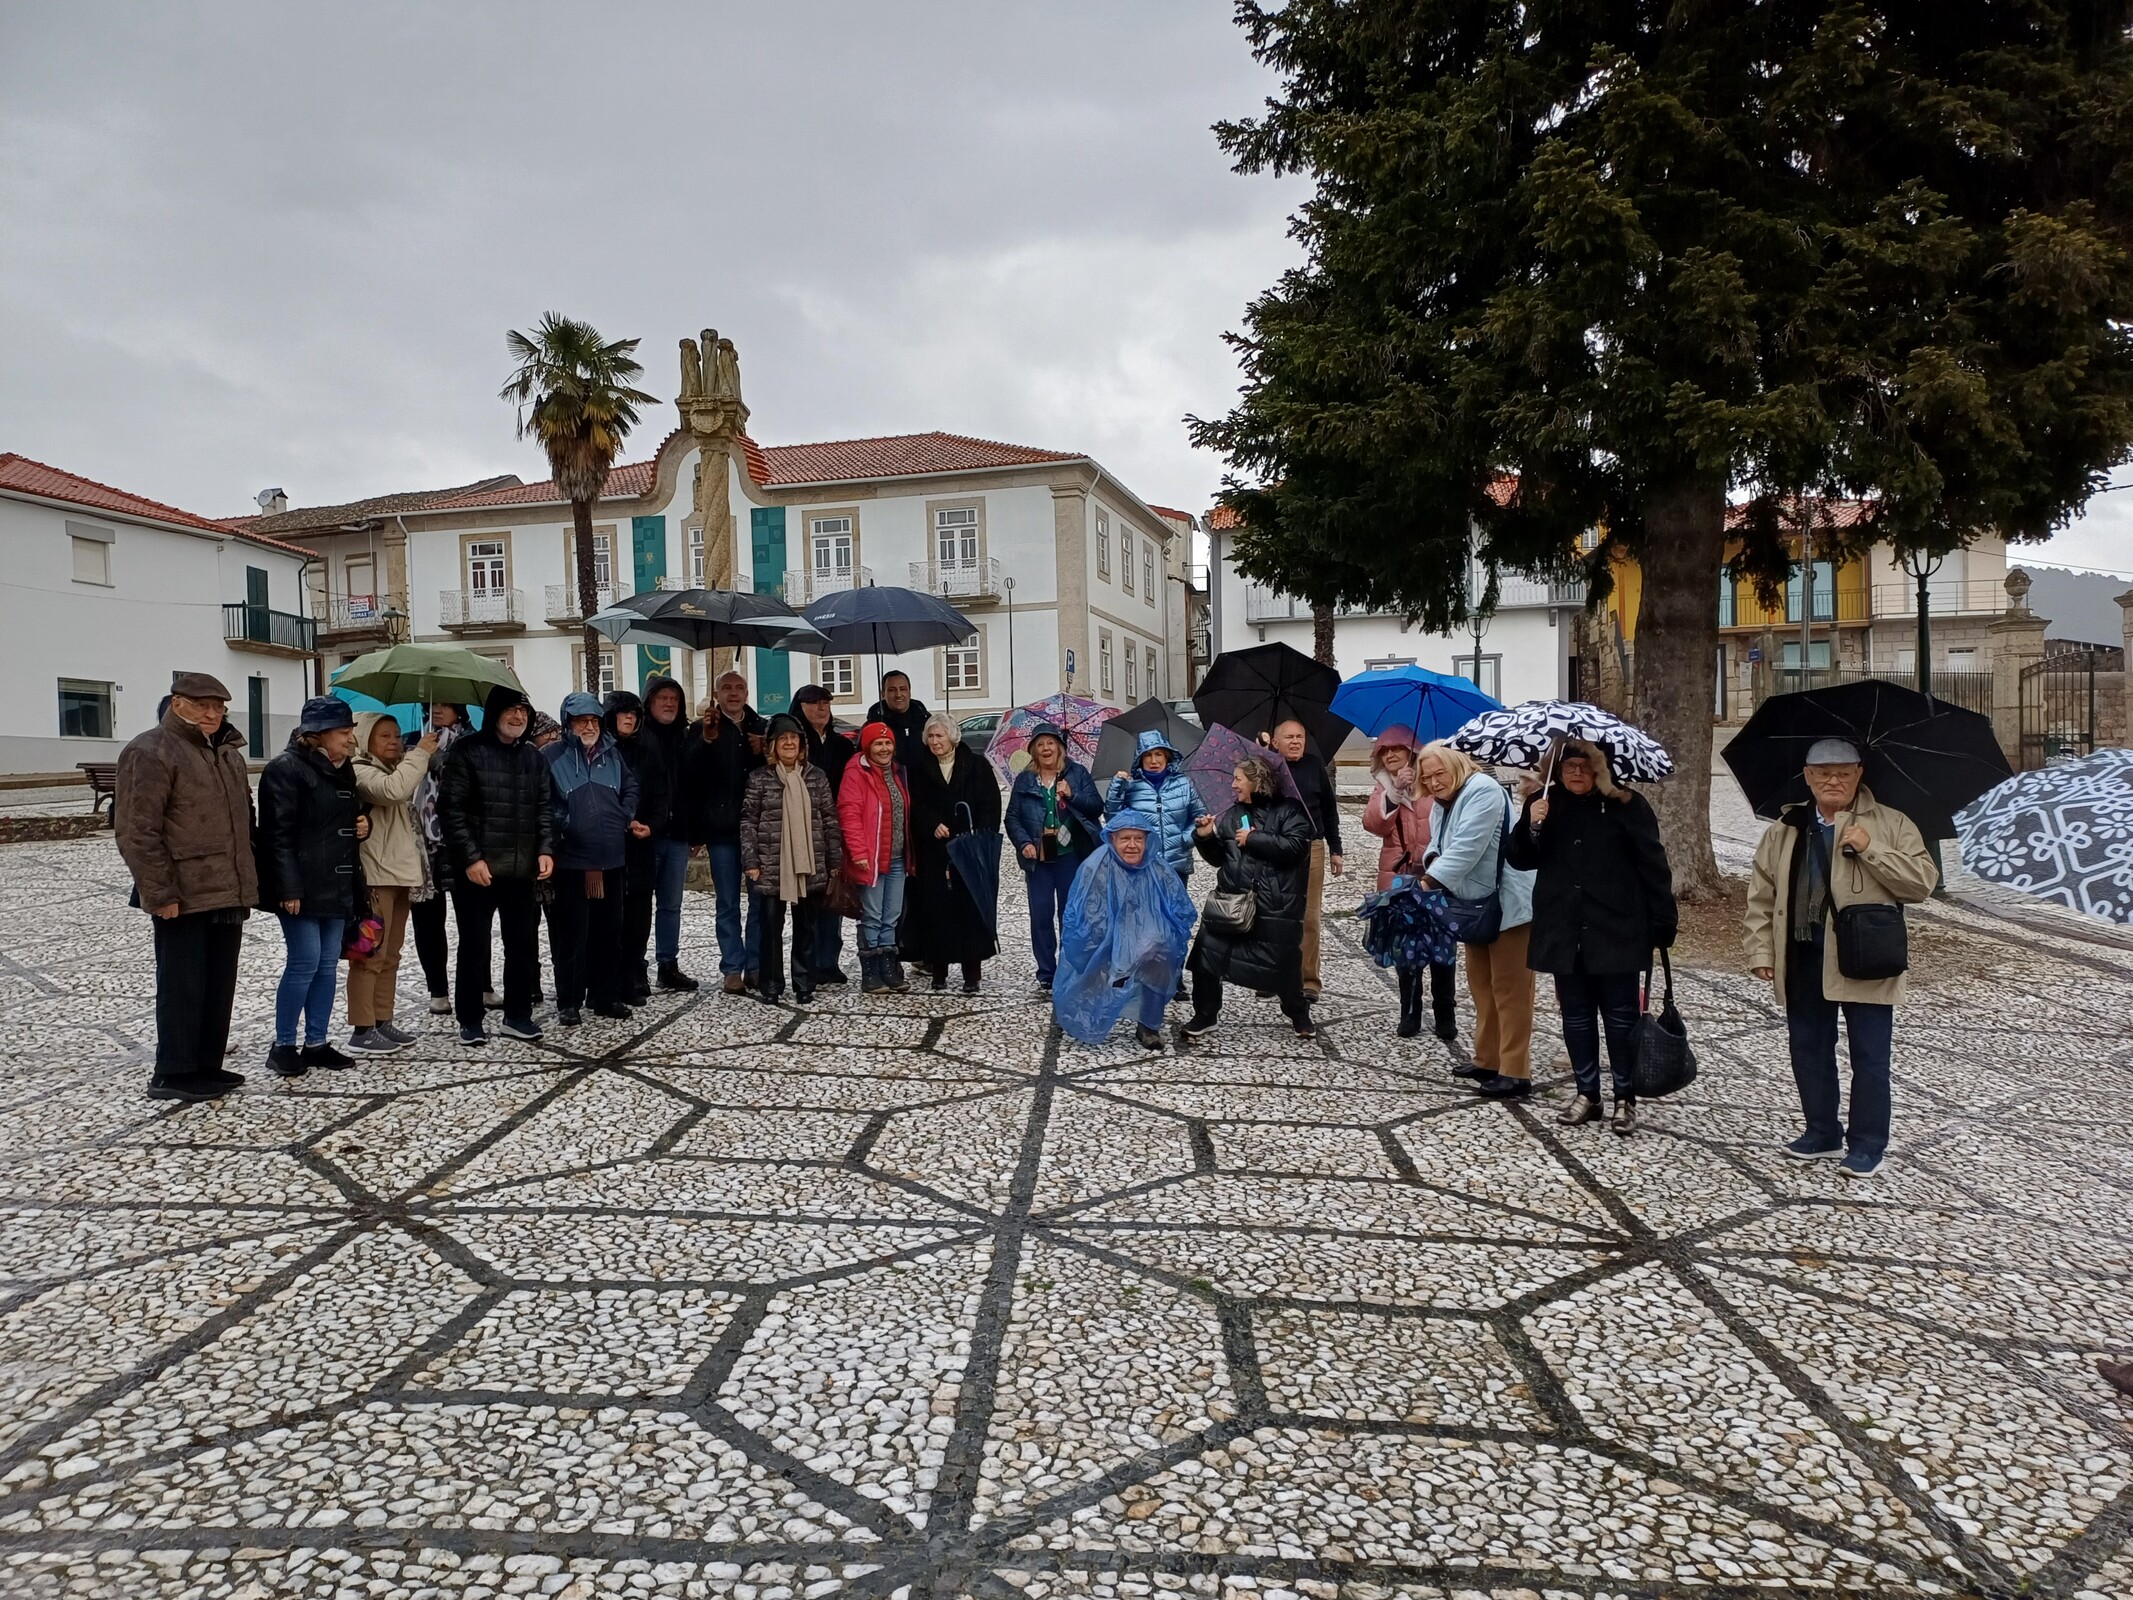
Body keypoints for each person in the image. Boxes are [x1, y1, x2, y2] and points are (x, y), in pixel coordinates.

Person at [1744, 737, 1936, 1177]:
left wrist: (1871, 847)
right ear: (1808, 777)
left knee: (1870, 1056)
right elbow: (1761, 894)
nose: (1834, 780)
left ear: (1859, 775)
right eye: (1824, 773)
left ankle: (1867, 1143)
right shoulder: (1785, 827)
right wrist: (1760, 949)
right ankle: (1822, 1132)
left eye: (1844, 773)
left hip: (1865, 957)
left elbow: (1921, 884)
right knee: (1808, 1049)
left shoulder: (1890, 823)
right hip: (1802, 955)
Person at [1505, 740, 1677, 1133]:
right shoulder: (1547, 803)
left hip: (1616, 926)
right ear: (1556, 771)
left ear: (1600, 769)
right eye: (1569, 768)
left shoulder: (1628, 805)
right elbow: (1519, 857)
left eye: (1585, 767)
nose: (1576, 774)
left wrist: (1663, 922)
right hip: (1564, 927)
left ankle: (1624, 1096)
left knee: (1620, 1016)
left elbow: (1654, 865)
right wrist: (1532, 822)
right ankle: (1587, 1093)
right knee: (1576, 1015)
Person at [115, 670, 257, 1102]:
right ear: (177, 704)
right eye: (201, 705)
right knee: (183, 983)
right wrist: (160, 894)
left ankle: (205, 1065)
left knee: (219, 981)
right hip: (183, 889)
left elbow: (243, 822)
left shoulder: (228, 753)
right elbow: (138, 830)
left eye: (218, 707)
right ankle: (173, 1071)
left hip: (226, 886)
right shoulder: (152, 750)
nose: (211, 714)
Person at [1416, 743, 1537, 1098]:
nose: (1435, 782)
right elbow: (1436, 846)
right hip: (1472, 903)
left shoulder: (1483, 790)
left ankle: (1515, 1070)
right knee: (1482, 984)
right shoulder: (1442, 804)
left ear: (1456, 766)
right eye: (1428, 777)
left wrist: (1427, 882)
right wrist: (1432, 861)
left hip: (1507, 902)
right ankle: (1487, 1057)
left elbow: (1468, 847)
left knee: (1511, 989)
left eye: (1440, 773)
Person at [256, 696, 368, 1078]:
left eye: (350, 731)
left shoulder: (343, 767)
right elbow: (277, 835)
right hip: (301, 885)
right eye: (344, 731)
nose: (351, 738)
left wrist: (362, 823)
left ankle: (316, 1043)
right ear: (317, 735)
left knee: (325, 966)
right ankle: (283, 1045)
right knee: (303, 962)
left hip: (337, 882)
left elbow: (344, 815)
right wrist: (288, 888)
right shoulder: (284, 769)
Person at [439, 685, 555, 1044]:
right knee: (474, 946)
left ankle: (517, 1016)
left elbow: (544, 809)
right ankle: (470, 1019)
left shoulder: (534, 758)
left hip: (521, 869)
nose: (519, 717)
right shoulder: (466, 752)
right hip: (478, 871)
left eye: (524, 711)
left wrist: (546, 848)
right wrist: (471, 858)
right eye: (512, 710)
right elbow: (451, 811)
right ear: (495, 714)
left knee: (522, 945)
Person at [1181, 755, 1316, 1041]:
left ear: (1257, 781)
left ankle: (1298, 1012)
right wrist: (1205, 837)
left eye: (1238, 778)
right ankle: (1205, 1014)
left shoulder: (1290, 811)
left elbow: (1296, 848)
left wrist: (1254, 839)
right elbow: (1220, 859)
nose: (1233, 784)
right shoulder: (1232, 815)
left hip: (1274, 906)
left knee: (1283, 963)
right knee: (1206, 956)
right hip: (1231, 903)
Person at [1054, 810, 1198, 1050]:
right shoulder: (1095, 867)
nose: (1132, 845)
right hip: (1104, 938)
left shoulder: (1158, 867)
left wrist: (1157, 937)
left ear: (1146, 841)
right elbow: (1084, 915)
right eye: (1125, 839)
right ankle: (1078, 1010)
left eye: (1138, 839)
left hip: (1148, 941)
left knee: (1165, 952)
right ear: (1112, 840)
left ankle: (1148, 1024)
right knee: (1094, 958)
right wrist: (1119, 939)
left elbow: (1180, 908)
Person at [347, 711, 441, 1055]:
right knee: (368, 953)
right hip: (376, 876)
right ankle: (361, 1027)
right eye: (385, 736)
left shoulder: (396, 766)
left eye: (398, 735)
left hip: (399, 875)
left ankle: (382, 1019)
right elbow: (393, 791)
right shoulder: (360, 770)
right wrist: (421, 753)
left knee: (391, 954)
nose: (395, 742)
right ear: (367, 738)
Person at [544, 692, 641, 1026]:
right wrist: (568, 822)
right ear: (568, 723)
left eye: (594, 720)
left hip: (612, 858)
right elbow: (543, 802)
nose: (589, 726)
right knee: (572, 935)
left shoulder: (613, 756)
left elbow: (631, 789)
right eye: (581, 720)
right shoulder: (551, 756)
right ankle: (569, 1001)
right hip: (571, 861)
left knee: (609, 932)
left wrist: (622, 814)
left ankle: (605, 995)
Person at [1359, 725, 1458, 1042]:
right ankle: (1409, 1013)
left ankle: (1446, 1013)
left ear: (1411, 753)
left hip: (1436, 876)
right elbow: (1373, 824)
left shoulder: (1433, 783)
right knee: (1406, 950)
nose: (1390, 756)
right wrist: (1394, 793)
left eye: (1396, 750)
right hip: (1398, 878)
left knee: (1442, 948)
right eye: (1384, 752)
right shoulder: (1384, 786)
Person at [741, 713, 844, 1004]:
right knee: (770, 927)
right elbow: (748, 821)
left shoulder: (816, 776)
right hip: (772, 864)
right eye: (783, 739)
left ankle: (804, 983)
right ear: (772, 746)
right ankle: (771, 985)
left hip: (809, 862)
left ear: (802, 745)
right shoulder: (760, 778)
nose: (789, 743)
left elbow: (829, 820)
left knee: (807, 927)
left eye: (794, 739)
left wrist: (834, 862)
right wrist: (751, 861)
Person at [683, 670, 768, 992]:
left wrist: (765, 752)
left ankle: (756, 965)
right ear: (716, 694)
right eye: (727, 688)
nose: (734, 693)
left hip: (758, 829)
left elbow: (782, 768)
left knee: (759, 901)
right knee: (728, 902)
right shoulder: (702, 728)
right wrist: (705, 740)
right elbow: (690, 772)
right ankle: (732, 966)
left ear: (747, 693)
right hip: (721, 830)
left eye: (740, 687)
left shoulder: (761, 727)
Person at [907, 711, 1003, 992]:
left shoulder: (976, 765)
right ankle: (938, 971)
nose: (935, 741)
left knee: (970, 910)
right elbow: (916, 806)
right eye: (931, 736)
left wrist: (977, 833)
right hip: (935, 851)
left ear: (952, 737)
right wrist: (931, 824)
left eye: (940, 736)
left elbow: (990, 804)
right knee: (936, 911)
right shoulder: (919, 768)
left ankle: (971, 974)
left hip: (969, 850)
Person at [1004, 726, 1103, 991]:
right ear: (1033, 751)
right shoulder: (1025, 780)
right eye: (1040, 744)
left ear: (1060, 747)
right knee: (1041, 915)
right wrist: (1024, 843)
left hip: (1072, 856)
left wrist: (1073, 794)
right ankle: (1047, 971)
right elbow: (1012, 817)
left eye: (1051, 743)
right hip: (1039, 860)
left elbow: (1096, 808)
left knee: (1070, 915)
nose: (1046, 748)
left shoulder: (1077, 774)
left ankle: (1069, 967)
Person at [603, 688, 671, 1002]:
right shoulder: (600, 750)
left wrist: (652, 825)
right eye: (623, 713)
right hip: (607, 847)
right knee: (609, 919)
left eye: (634, 713)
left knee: (639, 918)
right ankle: (608, 981)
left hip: (641, 844)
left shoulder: (649, 746)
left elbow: (660, 793)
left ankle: (633, 975)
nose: (629, 718)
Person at [1269, 719, 1345, 1001]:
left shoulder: (1315, 766)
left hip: (1311, 846)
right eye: (1288, 737)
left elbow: (1329, 808)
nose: (1296, 741)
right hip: (1276, 846)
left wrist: (1336, 848)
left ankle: (1309, 979)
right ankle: (1273, 974)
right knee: (1274, 912)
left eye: (1299, 736)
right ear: (1276, 742)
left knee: (1310, 915)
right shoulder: (1268, 767)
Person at [838, 720, 915, 991]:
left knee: (891, 915)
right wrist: (858, 852)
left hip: (896, 857)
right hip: (870, 858)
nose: (884, 748)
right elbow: (849, 814)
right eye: (878, 743)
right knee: (871, 914)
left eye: (888, 743)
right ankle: (870, 971)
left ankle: (888, 967)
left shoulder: (895, 772)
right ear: (867, 746)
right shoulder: (856, 773)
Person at [793, 684, 858, 984]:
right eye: (814, 703)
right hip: (802, 829)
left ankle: (829, 960)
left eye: (826, 703)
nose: (821, 708)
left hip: (835, 828)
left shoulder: (842, 746)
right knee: (808, 901)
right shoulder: (795, 743)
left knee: (834, 894)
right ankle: (808, 962)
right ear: (801, 706)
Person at [408, 703, 470, 1015]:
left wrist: (444, 760)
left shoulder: (471, 742)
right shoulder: (412, 740)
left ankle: (480, 985)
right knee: (428, 920)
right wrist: (420, 754)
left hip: (461, 843)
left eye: (447, 704)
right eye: (433, 704)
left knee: (472, 921)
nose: (439, 709)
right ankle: (438, 989)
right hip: (421, 844)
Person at [639, 674, 699, 992]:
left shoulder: (686, 737)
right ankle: (636, 967)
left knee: (671, 905)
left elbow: (694, 786)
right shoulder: (639, 736)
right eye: (662, 697)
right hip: (647, 836)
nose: (669, 703)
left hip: (677, 835)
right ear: (649, 701)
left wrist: (693, 831)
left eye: (674, 698)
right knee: (639, 904)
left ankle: (668, 965)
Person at [1104, 730, 1205, 883]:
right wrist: (1117, 786)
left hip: (1176, 864)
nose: (1153, 760)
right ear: (1140, 758)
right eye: (1147, 755)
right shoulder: (1130, 786)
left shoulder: (1184, 783)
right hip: (1142, 863)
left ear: (1167, 756)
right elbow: (1113, 818)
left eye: (1158, 754)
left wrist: (1185, 839)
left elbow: (1199, 815)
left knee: (1176, 907)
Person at [866, 669, 933, 770]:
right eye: (892, 690)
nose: (898, 694)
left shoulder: (926, 720)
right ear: (883, 694)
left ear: (909, 692)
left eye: (903, 689)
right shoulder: (873, 724)